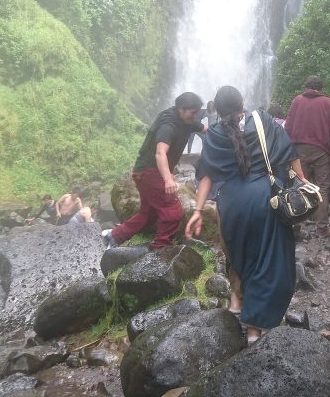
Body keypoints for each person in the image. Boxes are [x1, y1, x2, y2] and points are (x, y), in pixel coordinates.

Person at [185, 86, 306, 345]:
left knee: (242, 256)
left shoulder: (215, 134)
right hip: (265, 199)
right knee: (269, 262)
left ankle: (237, 303)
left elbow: (206, 176)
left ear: (216, 109)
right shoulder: (262, 120)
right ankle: (254, 330)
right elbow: (290, 152)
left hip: (231, 205)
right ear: (242, 102)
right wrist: (303, 182)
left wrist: (197, 211)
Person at [104, 92, 205, 250]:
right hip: (149, 172)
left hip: (146, 172)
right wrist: (168, 179)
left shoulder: (187, 120)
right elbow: (160, 153)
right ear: (181, 109)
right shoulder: (168, 124)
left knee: (148, 213)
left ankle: (114, 236)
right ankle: (160, 249)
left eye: (197, 112)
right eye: (193, 112)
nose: (196, 116)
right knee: (173, 212)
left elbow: (205, 129)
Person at [283, 76, 330, 237]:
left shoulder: (297, 101)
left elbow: (287, 127)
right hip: (321, 151)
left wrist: (286, 148)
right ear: (320, 88)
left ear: (307, 86)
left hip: (298, 150)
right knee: (323, 187)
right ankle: (322, 228)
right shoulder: (327, 102)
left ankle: (300, 224)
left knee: (300, 185)